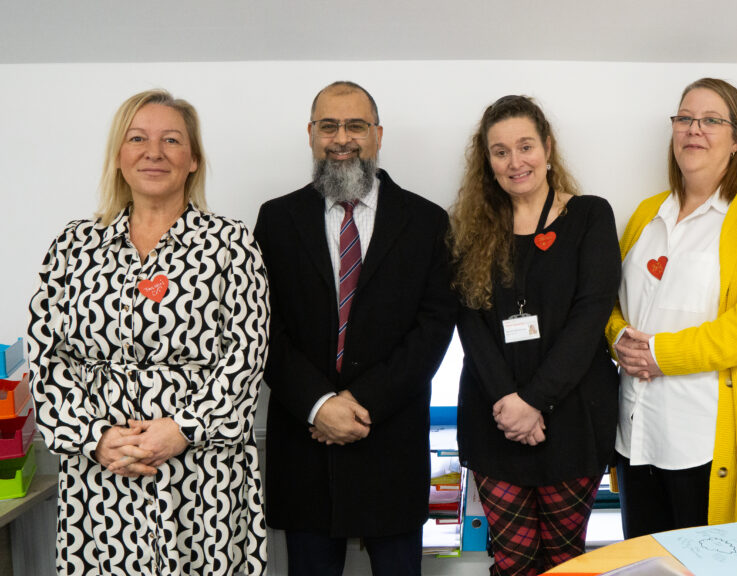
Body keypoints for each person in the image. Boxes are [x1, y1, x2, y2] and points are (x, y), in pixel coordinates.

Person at [26, 89, 269, 575]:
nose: (153, 152)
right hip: (102, 476)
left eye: (172, 140)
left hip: (203, 474)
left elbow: (247, 353)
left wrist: (182, 429)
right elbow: (46, 357)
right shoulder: (73, 246)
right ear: (119, 156)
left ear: (194, 159)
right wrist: (95, 436)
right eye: (138, 138)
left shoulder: (232, 244)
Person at [254, 81, 457, 576]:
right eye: (329, 126)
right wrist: (321, 405)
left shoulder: (427, 222)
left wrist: (359, 405)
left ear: (378, 134)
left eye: (355, 126)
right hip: (306, 446)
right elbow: (261, 329)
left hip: (389, 442)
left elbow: (433, 330)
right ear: (310, 134)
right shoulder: (276, 220)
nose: (341, 137)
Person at [605, 78, 737, 537]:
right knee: (646, 565)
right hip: (637, 436)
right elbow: (611, 301)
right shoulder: (646, 214)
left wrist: (663, 354)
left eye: (711, 120)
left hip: (708, 445)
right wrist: (617, 337)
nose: (693, 129)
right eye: (684, 118)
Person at [450, 95, 620, 576]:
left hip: (573, 419)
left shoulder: (590, 215)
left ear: (547, 146)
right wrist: (510, 401)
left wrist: (533, 402)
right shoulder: (472, 228)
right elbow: (470, 324)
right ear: (488, 161)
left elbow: (590, 317)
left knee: (565, 561)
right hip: (494, 418)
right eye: (500, 151)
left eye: (525, 146)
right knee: (513, 560)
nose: (515, 161)